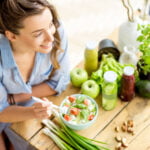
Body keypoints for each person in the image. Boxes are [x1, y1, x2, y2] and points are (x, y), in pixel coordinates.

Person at [0, 0, 70, 149]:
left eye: (50, 24)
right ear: (11, 36)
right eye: (38, 34)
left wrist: (15, 98)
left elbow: (59, 82)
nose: (51, 38)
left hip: (21, 105)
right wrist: (32, 112)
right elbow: (1, 112)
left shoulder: (56, 32)